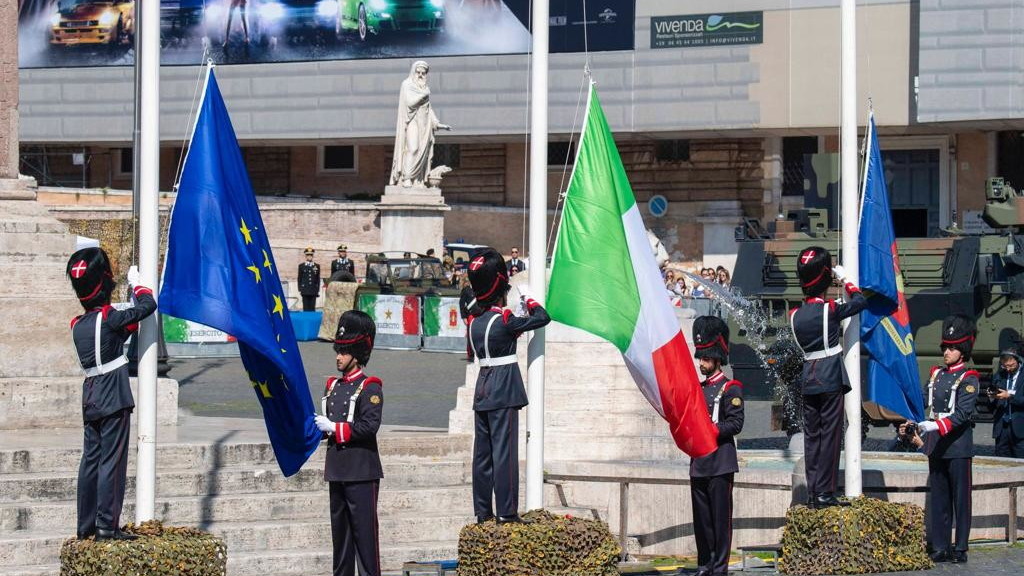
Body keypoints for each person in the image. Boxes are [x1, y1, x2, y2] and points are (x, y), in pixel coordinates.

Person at [67, 247, 156, 541]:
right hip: (113, 394)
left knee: (90, 460)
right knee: (112, 462)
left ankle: (86, 525)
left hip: (90, 394)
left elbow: (121, 331)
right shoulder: (109, 318)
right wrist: (138, 286)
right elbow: (147, 306)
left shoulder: (78, 325)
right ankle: (107, 524)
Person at [467, 247, 550, 523]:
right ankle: (507, 512)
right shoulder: (503, 320)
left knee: (483, 456)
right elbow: (542, 318)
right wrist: (528, 298)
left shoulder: (475, 322)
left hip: (483, 387)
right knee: (505, 454)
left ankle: (483, 511)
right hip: (503, 389)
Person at [789, 246, 866, 508]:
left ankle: (813, 493)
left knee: (812, 438)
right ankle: (825, 492)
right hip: (830, 374)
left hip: (808, 377)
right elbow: (860, 302)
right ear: (824, 278)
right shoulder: (830, 309)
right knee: (830, 437)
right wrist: (845, 280)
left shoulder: (794, 316)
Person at [313, 311, 383, 576]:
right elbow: (326, 426)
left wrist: (334, 428)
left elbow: (368, 427)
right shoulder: (332, 386)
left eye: (343, 352)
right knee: (340, 543)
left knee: (365, 541)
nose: (338, 356)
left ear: (356, 353)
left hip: (361, 472)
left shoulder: (370, 387)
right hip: (337, 470)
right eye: (338, 351)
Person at [907, 315, 979, 564]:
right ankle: (940, 546)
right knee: (939, 499)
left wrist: (935, 425)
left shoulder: (969, 378)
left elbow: (963, 413)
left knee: (961, 500)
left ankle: (961, 548)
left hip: (958, 447)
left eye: (952, 348)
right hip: (937, 445)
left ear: (962, 351)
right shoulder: (936, 373)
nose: (946, 352)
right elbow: (925, 402)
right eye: (945, 347)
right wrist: (914, 419)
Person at [690, 316, 744, 576]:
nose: (702, 363)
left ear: (717, 358)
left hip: (720, 462)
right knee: (701, 521)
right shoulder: (698, 389)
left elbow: (735, 424)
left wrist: (711, 430)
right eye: (700, 358)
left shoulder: (731, 388)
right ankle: (705, 564)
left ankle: (719, 567)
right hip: (699, 462)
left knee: (721, 521)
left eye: (705, 359)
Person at [389, 61, 452, 187]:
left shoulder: (424, 88)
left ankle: (416, 180)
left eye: (423, 73)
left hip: (425, 125)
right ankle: (407, 178)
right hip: (412, 120)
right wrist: (423, 95)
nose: (420, 75)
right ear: (413, 72)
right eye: (418, 72)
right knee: (413, 148)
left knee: (422, 152)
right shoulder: (407, 84)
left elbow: (428, 109)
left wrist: (438, 124)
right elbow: (410, 103)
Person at [991, 346, 1024, 458]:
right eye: (1005, 366)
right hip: (1002, 428)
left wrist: (1010, 396)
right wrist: (992, 396)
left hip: (1020, 428)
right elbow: (991, 406)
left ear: (1018, 361)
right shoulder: (999, 375)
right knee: (1001, 461)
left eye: (1011, 365)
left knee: (1020, 462)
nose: (1008, 369)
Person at [298, 247, 321, 312]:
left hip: (313, 290)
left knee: (312, 307)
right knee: (305, 307)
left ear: (312, 256)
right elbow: (299, 278)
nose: (309, 257)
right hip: (305, 290)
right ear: (306, 256)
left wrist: (317, 289)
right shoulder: (301, 266)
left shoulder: (316, 266)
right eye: (308, 255)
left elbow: (318, 278)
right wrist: (300, 289)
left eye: (311, 255)